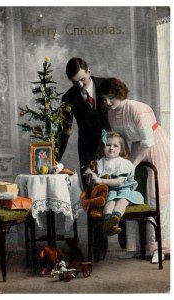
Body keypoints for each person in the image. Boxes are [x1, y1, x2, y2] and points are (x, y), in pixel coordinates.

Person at [98, 77, 170, 263]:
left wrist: (133, 163)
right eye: (104, 98)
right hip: (137, 148)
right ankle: (134, 247)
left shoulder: (138, 109)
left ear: (120, 94)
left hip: (155, 146)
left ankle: (160, 248)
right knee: (129, 191)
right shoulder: (112, 112)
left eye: (111, 97)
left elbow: (148, 141)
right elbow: (120, 142)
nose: (107, 102)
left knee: (156, 197)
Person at [58, 57, 109, 187]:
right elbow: (65, 131)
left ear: (89, 72)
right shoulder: (68, 98)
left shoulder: (106, 85)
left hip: (111, 143)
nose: (80, 85)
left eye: (82, 79)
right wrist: (55, 159)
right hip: (87, 148)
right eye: (75, 82)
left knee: (113, 188)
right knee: (90, 189)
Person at [85, 130, 144, 235]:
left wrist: (101, 180)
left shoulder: (123, 163)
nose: (111, 148)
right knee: (109, 204)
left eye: (115, 146)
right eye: (108, 145)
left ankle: (115, 218)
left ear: (121, 149)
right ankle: (109, 223)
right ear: (103, 147)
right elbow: (90, 172)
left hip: (124, 189)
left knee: (121, 202)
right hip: (111, 190)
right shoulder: (101, 162)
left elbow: (120, 181)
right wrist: (92, 173)